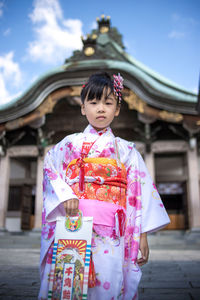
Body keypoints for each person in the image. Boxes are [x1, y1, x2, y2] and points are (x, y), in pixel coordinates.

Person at [39, 72, 170, 300]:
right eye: (93, 102)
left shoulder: (126, 150)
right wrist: (64, 195)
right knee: (71, 282)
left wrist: (142, 236)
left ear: (117, 109)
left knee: (108, 280)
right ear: (83, 108)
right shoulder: (69, 144)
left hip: (112, 232)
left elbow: (138, 194)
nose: (101, 108)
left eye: (108, 103)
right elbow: (49, 167)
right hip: (75, 225)